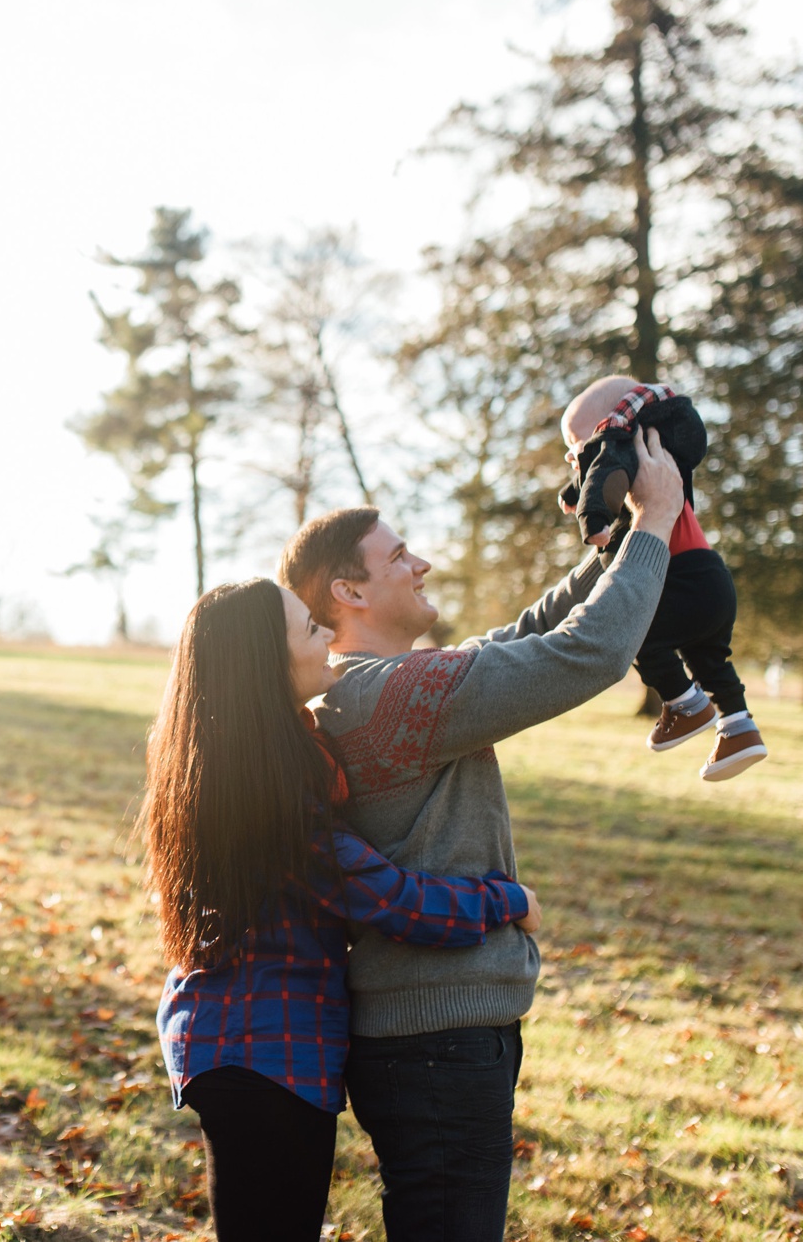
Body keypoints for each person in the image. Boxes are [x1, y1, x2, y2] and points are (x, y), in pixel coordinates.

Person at [274, 428, 683, 1242]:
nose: (420, 563)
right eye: (398, 558)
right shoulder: (388, 695)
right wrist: (657, 523)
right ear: (346, 593)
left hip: (430, 1037)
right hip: (438, 1040)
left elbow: (520, 637)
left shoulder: (379, 689)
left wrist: (609, 547)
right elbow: (589, 653)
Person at [142, 577, 538, 1242]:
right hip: (266, 1051)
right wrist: (504, 897)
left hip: (233, 1042)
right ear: (266, 663)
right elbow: (388, 898)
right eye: (309, 629)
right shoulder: (275, 794)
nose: (328, 634)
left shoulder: (230, 759)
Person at [559, 375, 766, 780]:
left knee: (631, 628)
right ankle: (739, 728)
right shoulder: (659, 462)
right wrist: (574, 492)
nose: (571, 455)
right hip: (710, 579)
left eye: (575, 443)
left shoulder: (618, 451)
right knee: (711, 660)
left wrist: (595, 518)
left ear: (609, 426)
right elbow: (596, 478)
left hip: (679, 579)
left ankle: (684, 703)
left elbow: (605, 478)